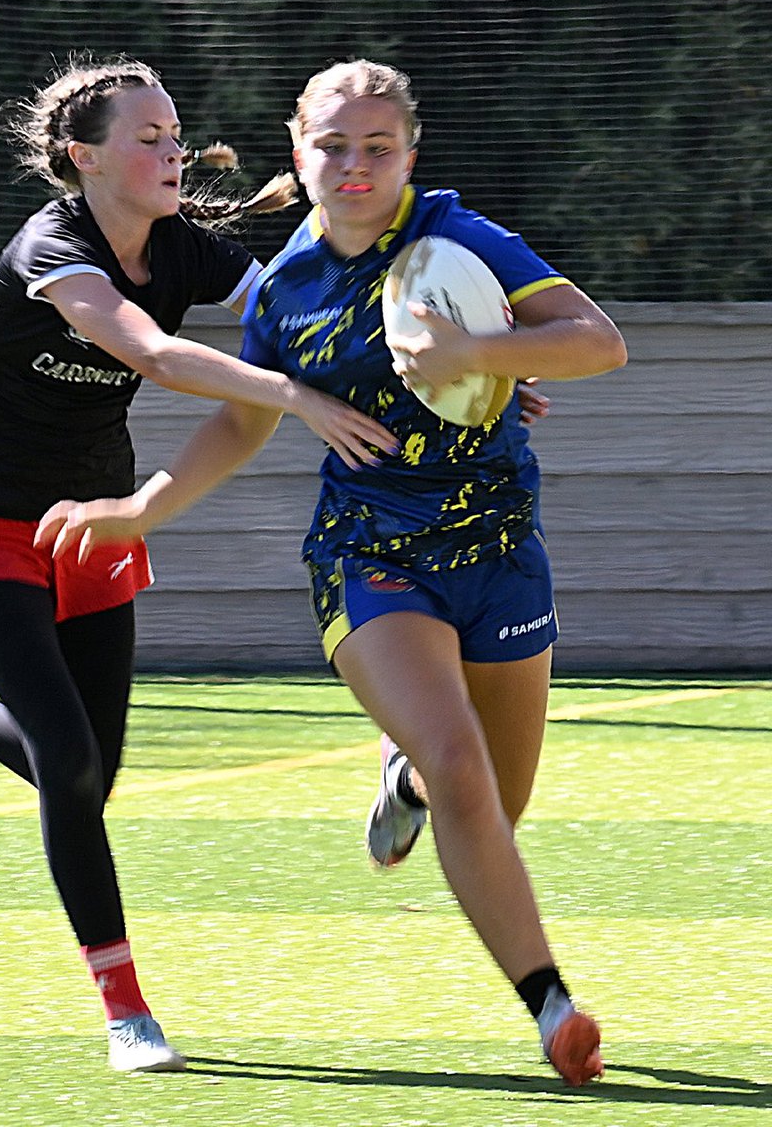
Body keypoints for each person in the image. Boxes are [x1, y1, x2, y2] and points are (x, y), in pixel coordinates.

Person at [36, 59, 628, 1087]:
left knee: (495, 797)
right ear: (297, 152)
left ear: (410, 155)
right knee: (461, 764)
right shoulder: (290, 290)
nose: (354, 167)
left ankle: (401, 780)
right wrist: (141, 511)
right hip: (369, 557)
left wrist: (482, 353)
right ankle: (552, 1006)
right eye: (333, 147)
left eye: (377, 147)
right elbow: (241, 419)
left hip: (500, 556)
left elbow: (596, 343)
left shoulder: (460, 241)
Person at [0, 55, 399, 1075]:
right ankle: (126, 1009)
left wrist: (456, 363)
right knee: (65, 760)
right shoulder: (52, 247)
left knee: (89, 776)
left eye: (174, 134)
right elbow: (150, 352)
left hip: (96, 523)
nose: (172, 150)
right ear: (84, 157)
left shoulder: (187, 249)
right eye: (147, 137)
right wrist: (291, 397)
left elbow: (301, 309)